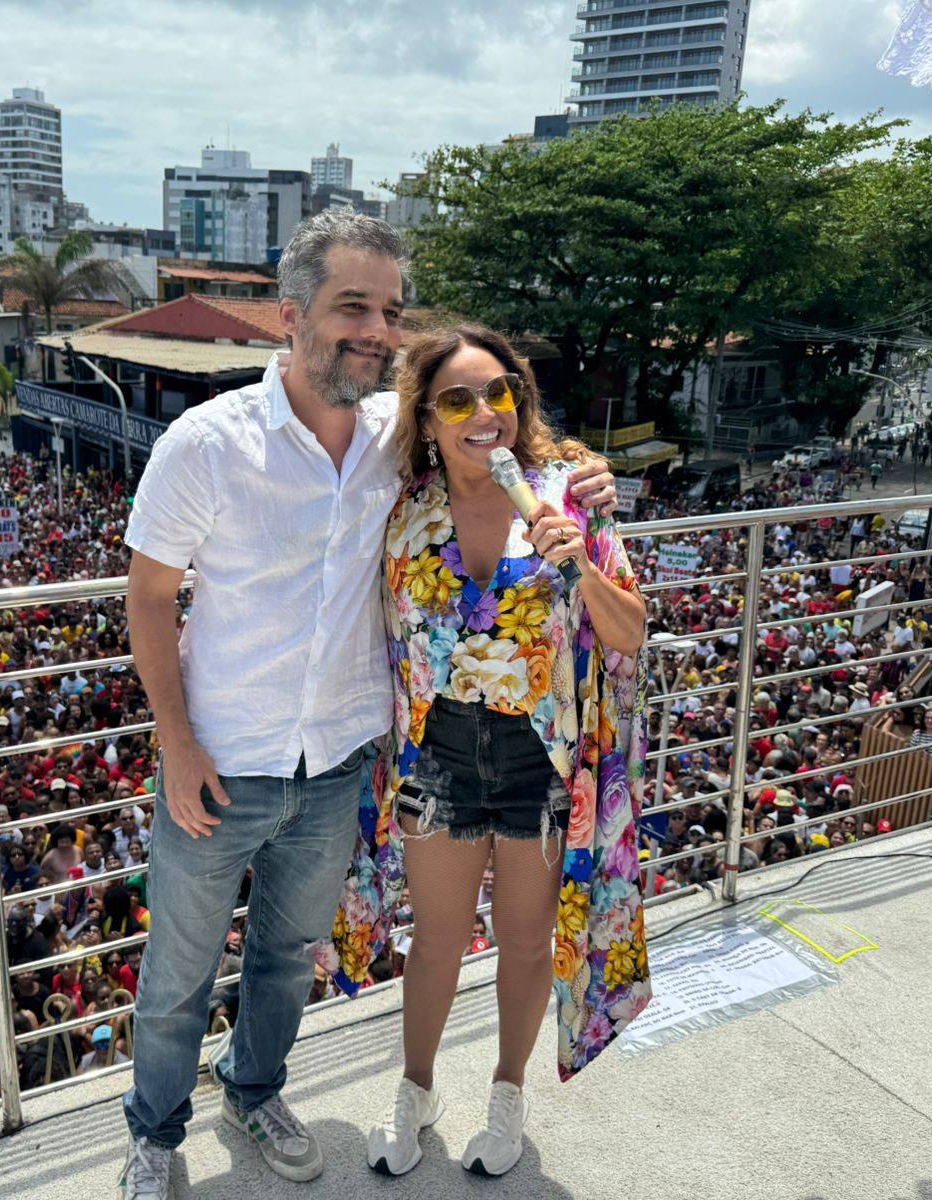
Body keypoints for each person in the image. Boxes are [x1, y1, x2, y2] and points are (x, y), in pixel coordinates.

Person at [119, 210, 617, 1198]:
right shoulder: (205, 443)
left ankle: (254, 1091)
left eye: (390, 311)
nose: (377, 330)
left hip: (339, 760)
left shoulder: (400, 433)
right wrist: (175, 743)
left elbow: (500, 436)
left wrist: (587, 474)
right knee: (176, 972)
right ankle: (154, 1136)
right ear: (290, 314)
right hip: (221, 757)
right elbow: (147, 595)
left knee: (285, 956)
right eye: (353, 307)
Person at [347, 324, 652, 1177]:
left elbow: (631, 632)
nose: (485, 413)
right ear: (426, 419)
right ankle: (415, 1090)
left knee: (525, 943)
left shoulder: (570, 496)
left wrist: (580, 563)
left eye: (499, 392)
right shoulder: (399, 507)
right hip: (437, 757)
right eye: (458, 400)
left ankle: (508, 1092)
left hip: (540, 762)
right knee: (435, 942)